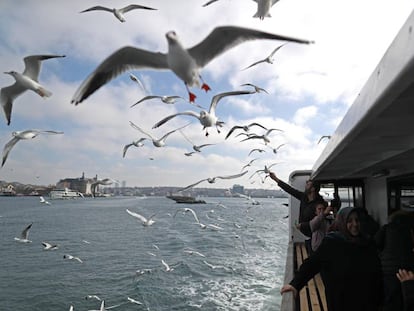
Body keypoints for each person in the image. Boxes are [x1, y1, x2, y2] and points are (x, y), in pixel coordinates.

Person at [280, 207, 382, 311]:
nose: (355, 224)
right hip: (340, 304)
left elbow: (377, 273)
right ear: (342, 222)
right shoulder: (332, 243)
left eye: (357, 220)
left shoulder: (367, 244)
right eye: (349, 221)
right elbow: (311, 264)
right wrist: (295, 285)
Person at [269, 172, 324, 251]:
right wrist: (275, 179)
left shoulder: (319, 204)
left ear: (313, 189)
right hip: (307, 236)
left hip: (316, 238)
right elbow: (290, 190)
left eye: (308, 184)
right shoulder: (304, 198)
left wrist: (302, 226)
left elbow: (319, 221)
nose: (305, 186)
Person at [375, 210, 414, 311]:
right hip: (406, 266)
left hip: (388, 269)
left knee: (391, 297)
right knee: (405, 294)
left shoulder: (387, 228)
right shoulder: (409, 228)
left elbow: (376, 243)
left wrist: (383, 255)